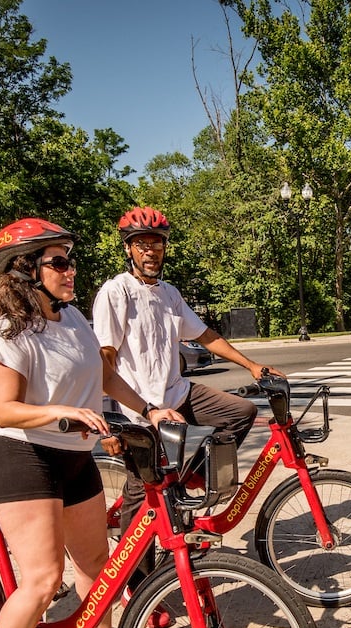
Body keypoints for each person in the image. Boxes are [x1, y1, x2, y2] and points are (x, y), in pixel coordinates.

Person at [0, 217, 151, 628]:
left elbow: (107, 376)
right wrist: (60, 414)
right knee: (45, 579)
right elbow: (4, 410)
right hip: (26, 457)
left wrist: (151, 410)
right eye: (59, 261)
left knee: (96, 562)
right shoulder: (11, 331)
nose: (72, 270)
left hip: (74, 456)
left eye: (71, 259)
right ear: (25, 271)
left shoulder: (72, 321)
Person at [92, 206, 282, 551]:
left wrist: (250, 364)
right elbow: (103, 362)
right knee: (142, 491)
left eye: (157, 243)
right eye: (142, 244)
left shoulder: (169, 293)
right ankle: (136, 575)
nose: (151, 251)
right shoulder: (115, 293)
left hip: (177, 394)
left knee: (240, 412)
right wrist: (108, 421)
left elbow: (205, 335)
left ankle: (184, 477)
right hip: (138, 409)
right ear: (128, 249)